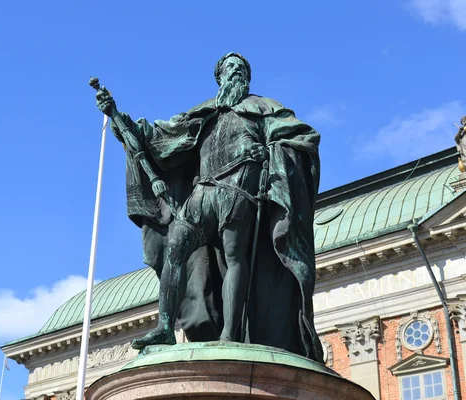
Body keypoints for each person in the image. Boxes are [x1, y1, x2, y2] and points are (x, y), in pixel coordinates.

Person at [96, 53, 323, 362]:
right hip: (203, 190)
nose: (237, 72)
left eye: (241, 69)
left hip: (240, 187)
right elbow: (158, 136)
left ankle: (230, 334)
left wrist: (272, 152)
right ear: (220, 77)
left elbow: (302, 137)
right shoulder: (204, 114)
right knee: (176, 249)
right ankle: (165, 326)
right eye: (231, 68)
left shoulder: (264, 108)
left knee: (235, 257)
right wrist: (119, 117)